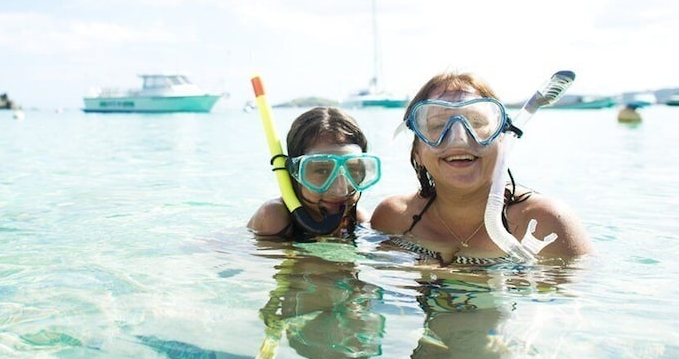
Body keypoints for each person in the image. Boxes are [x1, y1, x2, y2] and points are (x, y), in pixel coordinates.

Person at [371, 71, 593, 265]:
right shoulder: (394, 217)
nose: (459, 138)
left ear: (502, 141)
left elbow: (575, 306)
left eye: (476, 123)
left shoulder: (544, 223)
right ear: (417, 152)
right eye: (438, 126)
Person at [248, 107, 381, 240]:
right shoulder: (274, 216)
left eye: (352, 170)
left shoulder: (358, 219)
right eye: (322, 171)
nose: (340, 190)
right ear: (294, 173)